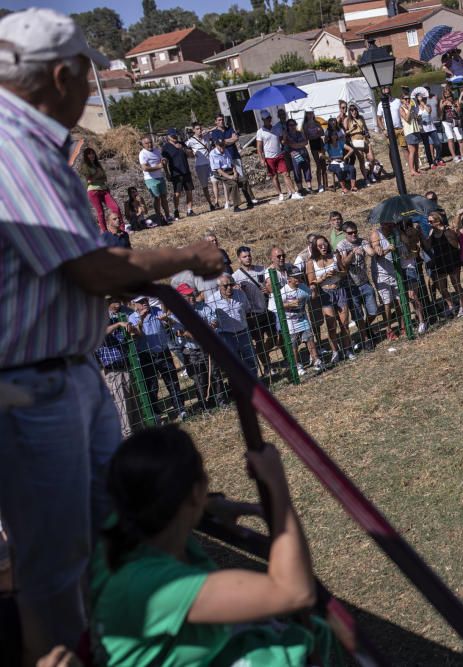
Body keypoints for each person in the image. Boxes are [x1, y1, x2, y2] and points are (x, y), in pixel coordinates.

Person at [0, 10, 225, 660]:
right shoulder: (12, 144)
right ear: (63, 74)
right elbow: (91, 264)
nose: (90, 91)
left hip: (65, 372)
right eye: (87, 77)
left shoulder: (31, 141)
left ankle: (129, 647)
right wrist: (189, 254)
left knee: (115, 527)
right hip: (30, 386)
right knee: (56, 570)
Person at [90, 427, 334, 665]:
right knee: (289, 644)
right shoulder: (161, 587)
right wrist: (277, 485)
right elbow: (295, 592)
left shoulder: (121, 533)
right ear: (194, 492)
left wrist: (210, 505)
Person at [127, 297, 187, 422]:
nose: (145, 303)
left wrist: (167, 319)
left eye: (146, 301)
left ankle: (181, 409)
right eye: (141, 302)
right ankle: (155, 414)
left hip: (163, 352)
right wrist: (142, 319)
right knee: (152, 386)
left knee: (172, 381)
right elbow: (137, 335)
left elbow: (176, 324)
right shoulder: (132, 318)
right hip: (146, 355)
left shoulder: (157, 310)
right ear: (134, 304)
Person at [95, 297, 138, 439]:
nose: (118, 305)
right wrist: (119, 323)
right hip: (112, 371)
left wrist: (130, 328)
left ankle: (136, 431)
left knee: (132, 402)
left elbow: (130, 337)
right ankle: (127, 435)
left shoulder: (116, 322)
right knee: (122, 405)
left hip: (125, 366)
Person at [305, 235, 353, 361]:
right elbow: (311, 282)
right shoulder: (311, 262)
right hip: (325, 294)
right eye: (320, 245)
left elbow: (344, 272)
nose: (323, 247)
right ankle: (335, 352)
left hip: (339, 290)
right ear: (315, 248)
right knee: (331, 326)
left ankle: (347, 349)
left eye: (325, 244)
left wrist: (337, 273)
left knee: (344, 324)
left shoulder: (335, 256)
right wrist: (323, 277)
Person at [233, 246, 277, 378]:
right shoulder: (236, 276)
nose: (248, 258)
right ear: (239, 259)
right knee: (259, 340)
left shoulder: (261, 269)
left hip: (267, 308)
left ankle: (265, 355)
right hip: (252, 314)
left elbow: (268, 284)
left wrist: (267, 289)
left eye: (249, 255)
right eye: (244, 257)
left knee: (274, 337)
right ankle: (267, 365)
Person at [204, 275, 258, 377]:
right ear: (219, 286)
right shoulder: (211, 300)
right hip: (226, 335)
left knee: (250, 359)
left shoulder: (241, 295)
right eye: (225, 286)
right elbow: (209, 318)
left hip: (243, 332)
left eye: (231, 284)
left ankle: (255, 384)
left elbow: (247, 309)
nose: (229, 287)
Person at [421, 213, 463, 318]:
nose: (429, 223)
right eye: (428, 221)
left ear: (438, 221)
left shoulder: (447, 230)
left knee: (456, 284)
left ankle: (462, 306)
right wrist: (421, 235)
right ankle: (451, 306)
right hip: (440, 262)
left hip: (452, 260)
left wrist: (451, 237)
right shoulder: (432, 232)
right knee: (441, 287)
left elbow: (456, 245)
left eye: (431, 221)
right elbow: (428, 246)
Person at [207, 114, 256, 208]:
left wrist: (226, 141)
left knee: (241, 177)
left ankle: (250, 198)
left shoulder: (229, 128)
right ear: (215, 122)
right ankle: (229, 201)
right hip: (223, 160)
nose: (221, 121)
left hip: (234, 155)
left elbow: (236, 138)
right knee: (229, 182)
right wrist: (229, 140)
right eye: (219, 120)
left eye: (222, 119)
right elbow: (219, 143)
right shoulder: (214, 133)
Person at [257, 110, 299, 201]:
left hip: (279, 155)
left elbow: (282, 141)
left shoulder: (277, 128)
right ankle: (280, 194)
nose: (267, 120)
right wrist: (261, 159)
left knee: (286, 174)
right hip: (269, 157)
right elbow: (259, 147)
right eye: (265, 119)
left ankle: (294, 192)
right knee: (274, 176)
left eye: (268, 118)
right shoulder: (260, 132)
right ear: (263, 120)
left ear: (271, 119)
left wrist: (283, 136)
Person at [78, 146, 121, 233]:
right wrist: (97, 178)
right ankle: (105, 232)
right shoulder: (85, 166)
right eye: (89, 154)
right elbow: (88, 180)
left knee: (115, 208)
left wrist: (96, 178)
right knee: (100, 212)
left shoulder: (98, 164)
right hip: (93, 191)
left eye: (92, 153)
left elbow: (104, 178)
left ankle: (121, 228)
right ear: (86, 156)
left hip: (104, 189)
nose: (91, 155)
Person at [139, 135, 171, 223]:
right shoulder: (143, 154)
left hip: (160, 176)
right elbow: (145, 168)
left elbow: (162, 162)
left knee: (164, 197)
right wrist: (158, 167)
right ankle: (159, 217)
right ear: (143, 145)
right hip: (150, 178)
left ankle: (168, 216)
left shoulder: (157, 150)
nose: (149, 145)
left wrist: (167, 172)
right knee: (157, 198)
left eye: (150, 142)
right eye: (147, 143)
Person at [209, 139, 242, 211]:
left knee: (244, 180)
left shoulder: (226, 151)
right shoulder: (213, 153)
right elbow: (218, 170)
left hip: (229, 169)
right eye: (220, 146)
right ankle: (236, 206)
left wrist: (235, 172)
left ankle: (250, 200)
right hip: (219, 172)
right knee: (233, 184)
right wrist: (230, 177)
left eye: (223, 145)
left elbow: (231, 163)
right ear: (216, 145)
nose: (222, 148)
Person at [283, 118, 314, 193]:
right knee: (297, 171)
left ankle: (309, 187)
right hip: (295, 154)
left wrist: (297, 145)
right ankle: (300, 188)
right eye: (290, 125)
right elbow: (290, 144)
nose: (292, 126)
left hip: (303, 153)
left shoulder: (300, 133)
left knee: (307, 169)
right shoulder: (287, 135)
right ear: (287, 126)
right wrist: (300, 145)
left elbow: (306, 142)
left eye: (294, 124)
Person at [303, 110, 328, 193]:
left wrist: (319, 131)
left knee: (323, 163)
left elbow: (322, 133)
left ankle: (325, 184)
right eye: (308, 113)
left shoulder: (317, 122)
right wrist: (314, 134)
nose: (310, 115)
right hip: (313, 144)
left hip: (320, 143)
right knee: (318, 165)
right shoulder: (305, 125)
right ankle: (320, 185)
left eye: (311, 113)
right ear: (306, 115)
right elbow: (307, 137)